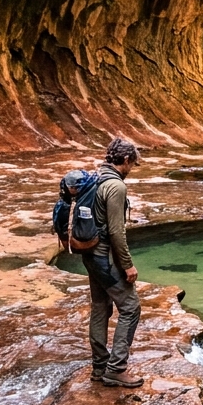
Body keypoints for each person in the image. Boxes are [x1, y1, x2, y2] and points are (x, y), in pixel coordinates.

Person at [83, 138, 144, 387]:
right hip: (105, 258)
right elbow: (117, 232)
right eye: (133, 164)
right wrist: (127, 265)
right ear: (126, 160)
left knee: (100, 306)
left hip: (89, 255)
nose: (131, 169)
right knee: (131, 308)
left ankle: (99, 367)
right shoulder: (116, 187)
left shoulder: (95, 178)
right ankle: (116, 368)